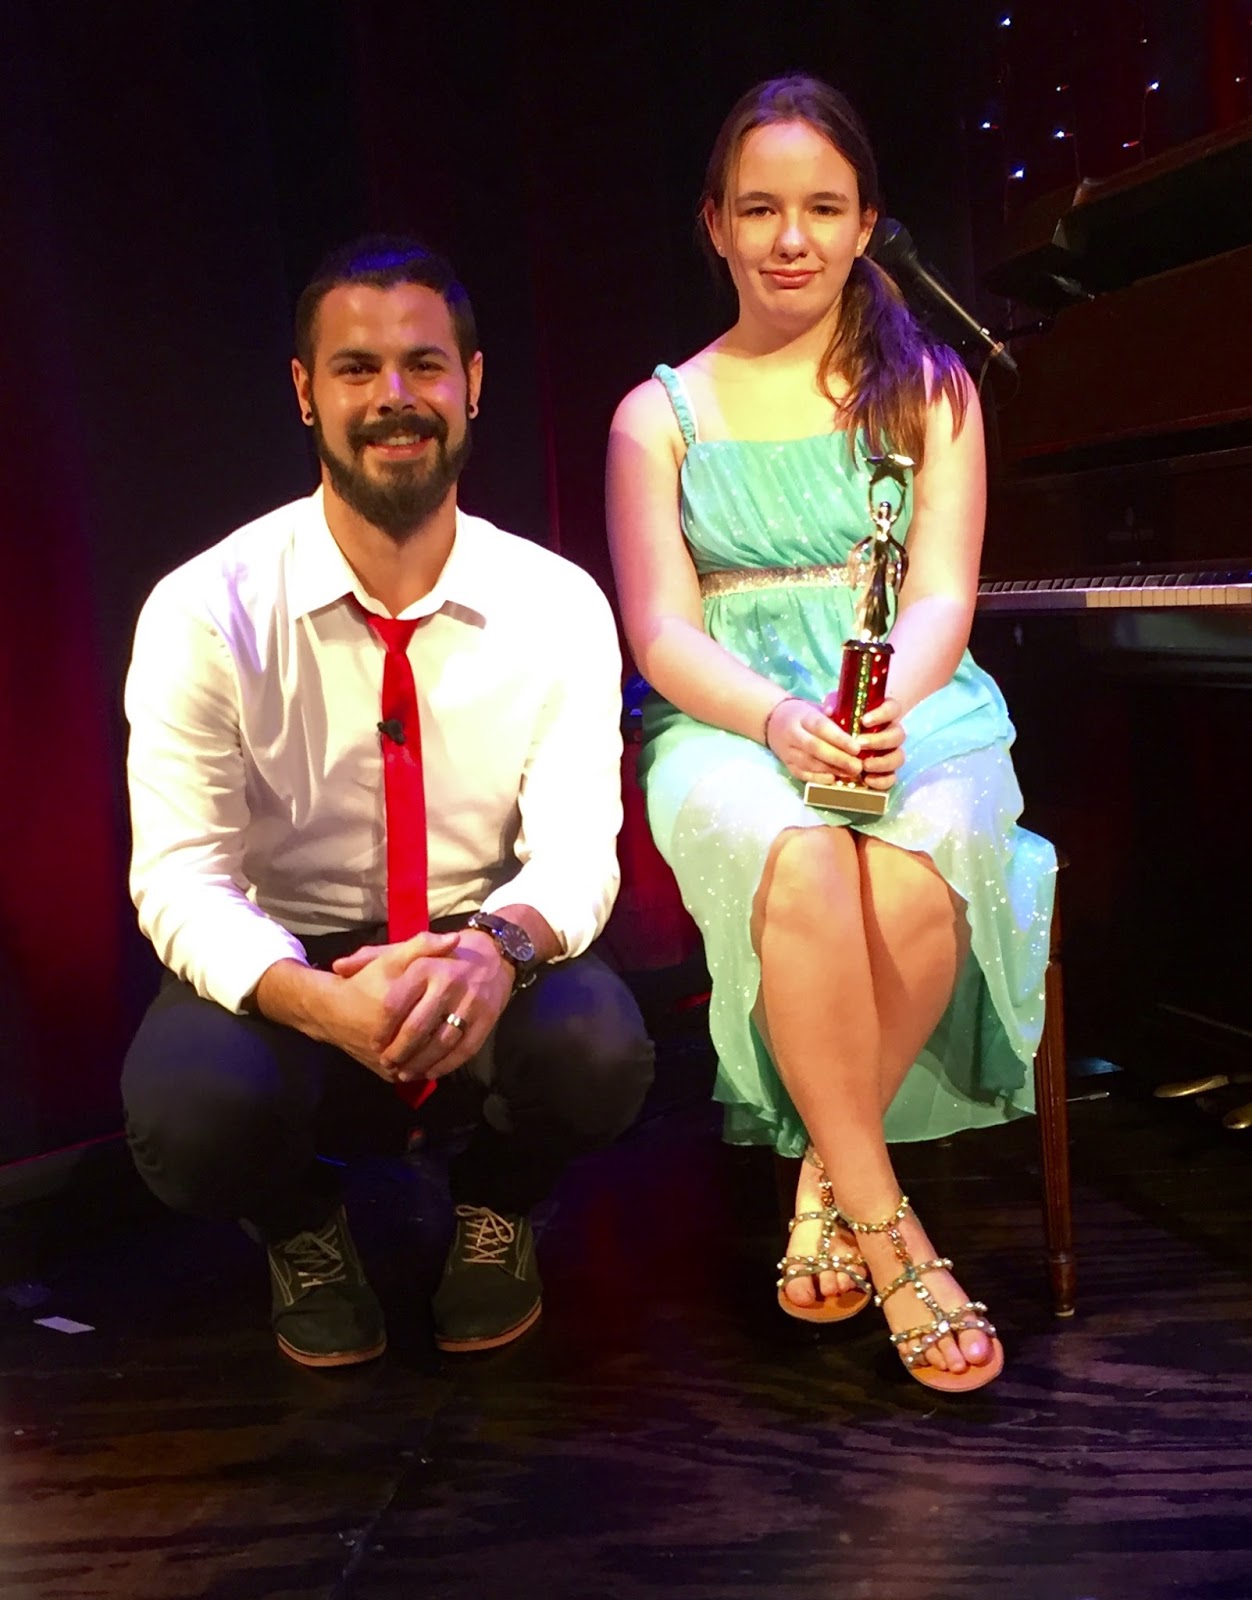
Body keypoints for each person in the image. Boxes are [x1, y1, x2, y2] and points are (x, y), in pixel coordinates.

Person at [122, 236, 654, 1368]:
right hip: (288, 947)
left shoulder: (558, 601)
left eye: (424, 364)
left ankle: (500, 1201)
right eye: (357, 368)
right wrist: (315, 1001)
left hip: (478, 931)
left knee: (600, 1052)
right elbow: (181, 875)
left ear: (473, 382)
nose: (393, 397)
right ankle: (299, 1226)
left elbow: (577, 853)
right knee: (188, 1115)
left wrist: (495, 952)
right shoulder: (203, 610)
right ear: (305, 391)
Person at [606, 77, 1055, 1394]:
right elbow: (660, 630)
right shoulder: (658, 415)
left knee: (924, 849)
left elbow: (943, 597)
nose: (791, 237)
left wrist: (876, 712)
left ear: (866, 224)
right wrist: (781, 719)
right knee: (800, 855)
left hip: (909, 696)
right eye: (760, 209)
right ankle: (894, 1234)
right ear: (714, 224)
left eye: (821, 207)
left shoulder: (932, 390)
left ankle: (827, 1172)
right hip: (732, 715)